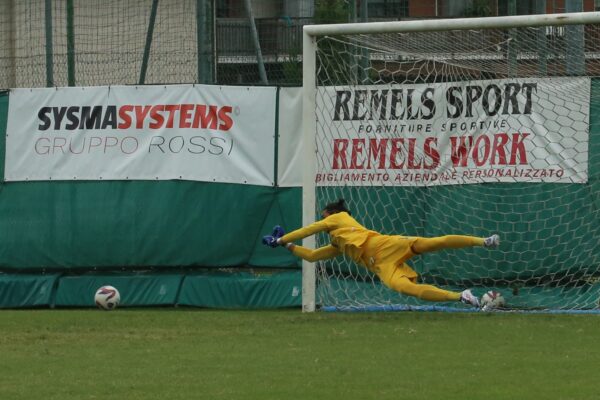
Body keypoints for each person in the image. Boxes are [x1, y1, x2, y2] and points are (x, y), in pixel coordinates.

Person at [262, 198, 500, 308]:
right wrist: (287, 245)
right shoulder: (338, 243)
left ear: (331, 213)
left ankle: (483, 241)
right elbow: (313, 256)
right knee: (406, 288)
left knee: (433, 243)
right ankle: (462, 297)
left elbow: (308, 229)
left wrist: (281, 238)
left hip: (384, 245)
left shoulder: (338, 217)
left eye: (324, 214)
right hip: (380, 265)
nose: (323, 217)